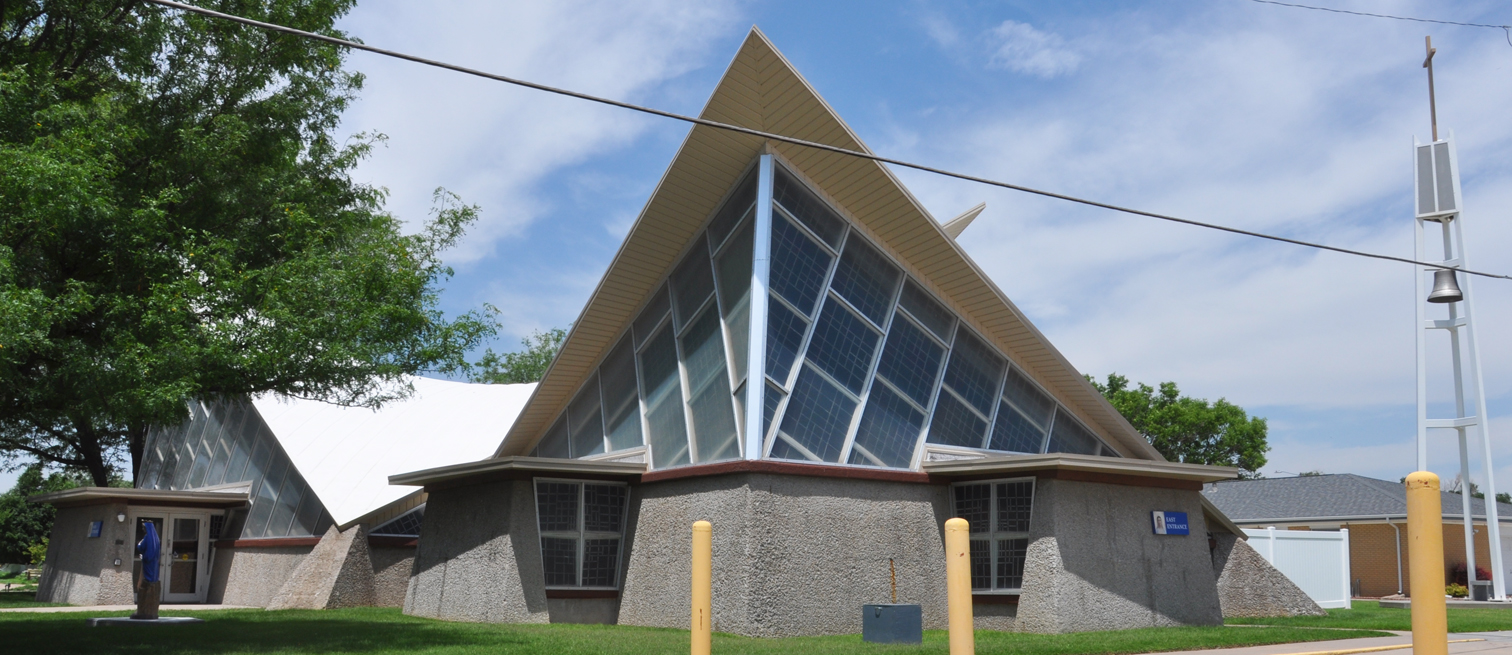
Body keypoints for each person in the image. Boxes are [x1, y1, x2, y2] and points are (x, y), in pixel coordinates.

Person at [131, 521, 161, 620]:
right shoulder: (156, 538)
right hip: (154, 564)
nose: (143, 529)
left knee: (144, 584)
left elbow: (140, 547)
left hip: (148, 562)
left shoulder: (148, 537)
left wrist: (139, 544)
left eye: (144, 528)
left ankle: (143, 610)